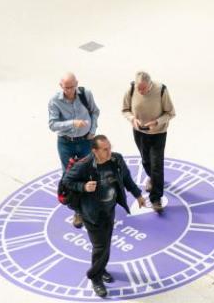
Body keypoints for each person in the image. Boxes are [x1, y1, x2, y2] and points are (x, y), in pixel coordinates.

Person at [62, 135, 146, 298]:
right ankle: (95, 277)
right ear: (95, 151)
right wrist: (83, 186)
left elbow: (127, 178)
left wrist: (138, 195)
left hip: (109, 210)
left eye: (110, 147)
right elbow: (66, 181)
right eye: (105, 149)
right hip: (91, 213)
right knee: (100, 246)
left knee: (105, 243)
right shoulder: (84, 166)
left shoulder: (116, 159)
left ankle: (101, 268)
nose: (109, 152)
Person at [48, 72, 101, 227]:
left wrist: (93, 130)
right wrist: (72, 123)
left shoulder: (86, 94)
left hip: (85, 141)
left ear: (77, 83)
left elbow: (95, 111)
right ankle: (77, 211)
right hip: (66, 143)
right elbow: (52, 125)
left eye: (72, 87)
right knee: (69, 176)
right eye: (66, 87)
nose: (70, 90)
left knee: (88, 172)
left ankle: (90, 206)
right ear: (61, 86)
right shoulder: (54, 101)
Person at [121, 71, 174, 214]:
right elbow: (125, 109)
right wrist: (133, 119)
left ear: (150, 85)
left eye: (143, 88)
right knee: (146, 161)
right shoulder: (132, 89)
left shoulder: (161, 90)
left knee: (157, 165)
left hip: (158, 133)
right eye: (139, 88)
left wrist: (157, 122)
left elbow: (170, 113)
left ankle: (156, 198)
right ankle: (153, 178)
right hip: (139, 132)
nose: (140, 91)